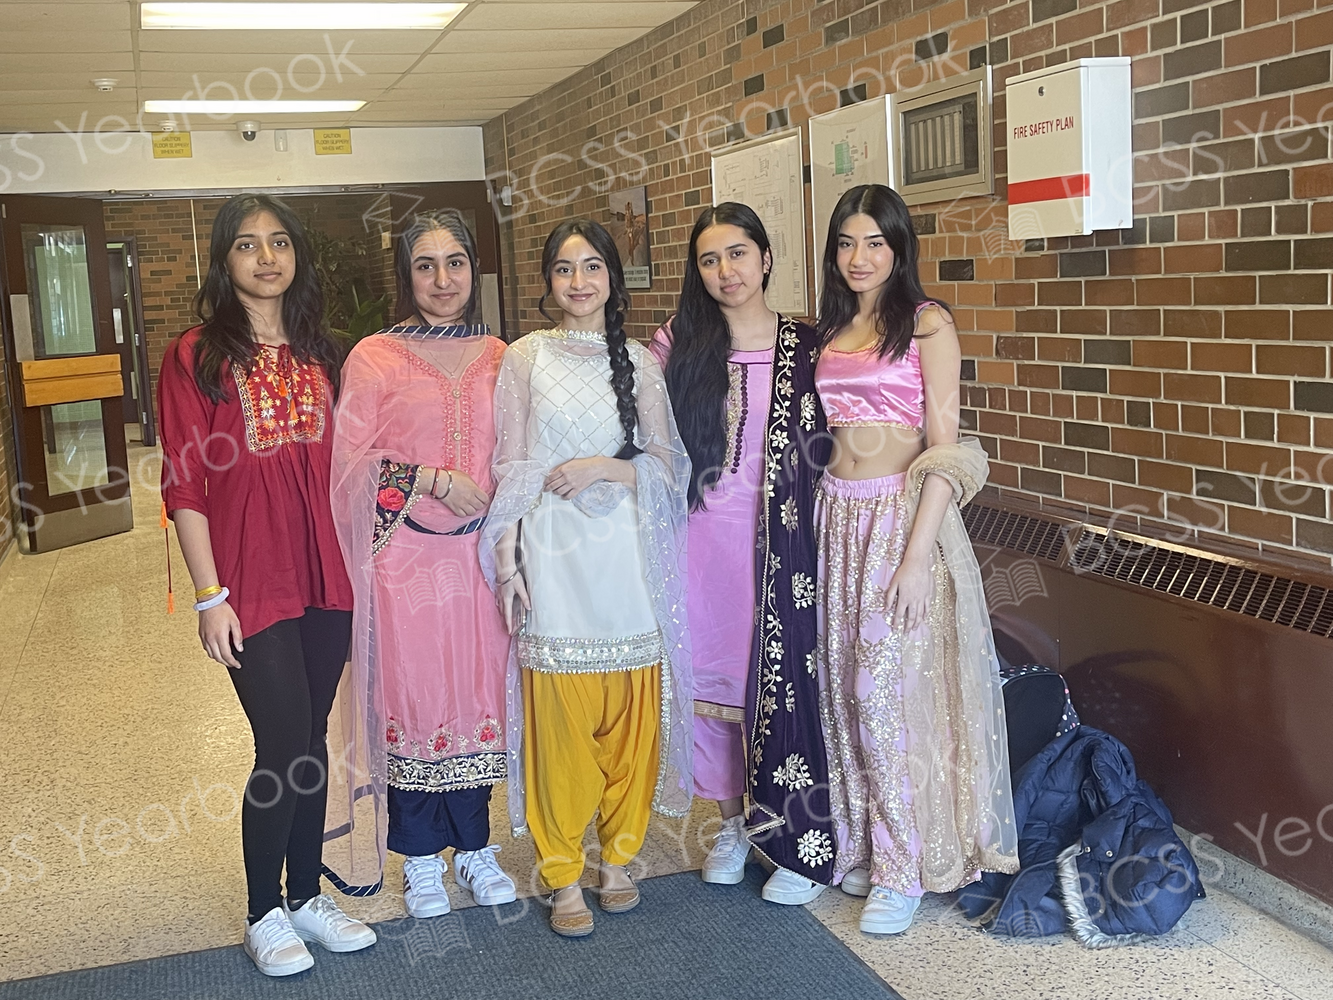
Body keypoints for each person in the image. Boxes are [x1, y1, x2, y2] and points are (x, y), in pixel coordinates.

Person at [158, 193, 376, 976]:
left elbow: (359, 464)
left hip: (326, 572)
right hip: (250, 580)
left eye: (279, 242)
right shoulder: (196, 356)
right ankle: (262, 912)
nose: (266, 257)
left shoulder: (328, 354)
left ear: (296, 256)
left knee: (311, 737)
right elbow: (184, 483)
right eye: (247, 244)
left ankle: (307, 894)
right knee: (280, 739)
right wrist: (208, 596)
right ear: (224, 261)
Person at [812, 184, 1018, 935]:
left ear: (898, 248)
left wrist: (917, 554)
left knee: (883, 691)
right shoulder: (831, 326)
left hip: (899, 519)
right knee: (841, 689)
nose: (859, 257)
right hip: (836, 516)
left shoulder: (926, 323)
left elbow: (946, 446)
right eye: (846, 243)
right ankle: (865, 845)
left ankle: (904, 867)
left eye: (874, 242)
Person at [479, 219, 692, 938]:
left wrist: (605, 467)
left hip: (626, 560)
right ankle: (563, 870)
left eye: (593, 266)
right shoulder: (525, 357)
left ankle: (618, 858)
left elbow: (669, 468)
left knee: (631, 718)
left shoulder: (641, 363)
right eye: (565, 268)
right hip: (554, 554)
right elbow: (510, 466)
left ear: (612, 277)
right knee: (561, 725)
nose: (579, 281)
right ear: (548, 281)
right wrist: (507, 559)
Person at [327, 209, 517, 920]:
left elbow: (520, 454)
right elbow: (348, 468)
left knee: (477, 695)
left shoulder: (502, 355)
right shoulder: (374, 356)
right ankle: (418, 859)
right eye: (425, 266)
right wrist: (430, 479)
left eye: (455, 263)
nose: (443, 280)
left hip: (480, 556)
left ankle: (474, 847)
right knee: (413, 700)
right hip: (403, 560)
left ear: (474, 269)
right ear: (406, 276)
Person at [650, 203, 835, 904]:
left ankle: (789, 832)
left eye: (737, 254)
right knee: (711, 689)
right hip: (697, 545)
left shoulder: (808, 345)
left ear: (765, 258)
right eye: (708, 259)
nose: (725, 271)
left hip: (783, 545)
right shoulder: (678, 344)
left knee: (783, 682)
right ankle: (732, 826)